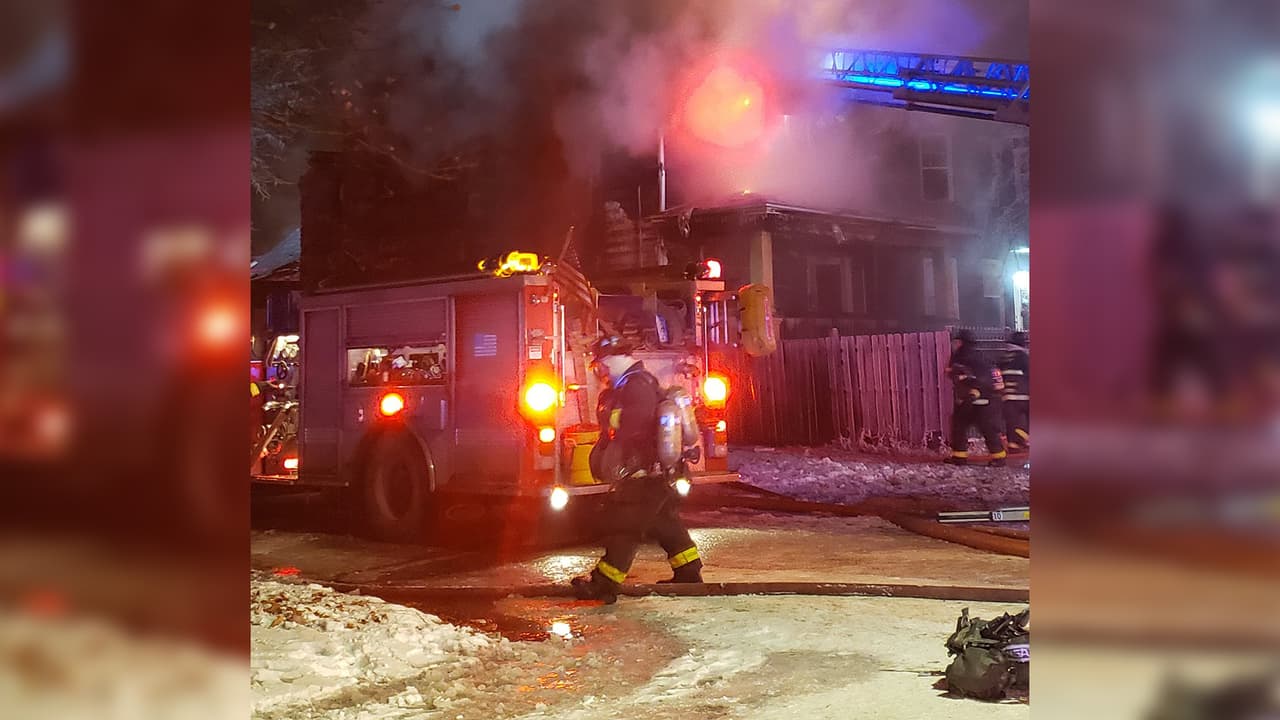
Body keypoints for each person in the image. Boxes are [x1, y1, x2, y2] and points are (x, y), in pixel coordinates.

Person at [571, 333, 703, 604]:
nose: (601, 371)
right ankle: (688, 571)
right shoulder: (635, 383)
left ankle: (604, 583)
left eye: (601, 365)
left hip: (644, 473)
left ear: (613, 359)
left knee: (624, 526)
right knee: (664, 522)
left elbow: (635, 427)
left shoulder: (635, 386)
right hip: (655, 473)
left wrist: (611, 422)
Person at [945, 329, 1007, 467]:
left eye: (956, 342)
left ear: (961, 342)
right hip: (984, 400)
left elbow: (958, 374)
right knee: (987, 429)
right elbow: (993, 378)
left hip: (971, 400)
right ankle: (999, 458)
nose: (955, 344)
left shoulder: (961, 356)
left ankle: (959, 457)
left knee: (960, 427)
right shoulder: (982, 356)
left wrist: (971, 390)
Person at [999, 331, 1031, 452]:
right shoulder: (1023, 356)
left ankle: (1013, 445)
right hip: (1023, 394)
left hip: (1007, 396)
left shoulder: (1003, 358)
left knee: (1011, 420)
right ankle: (1025, 438)